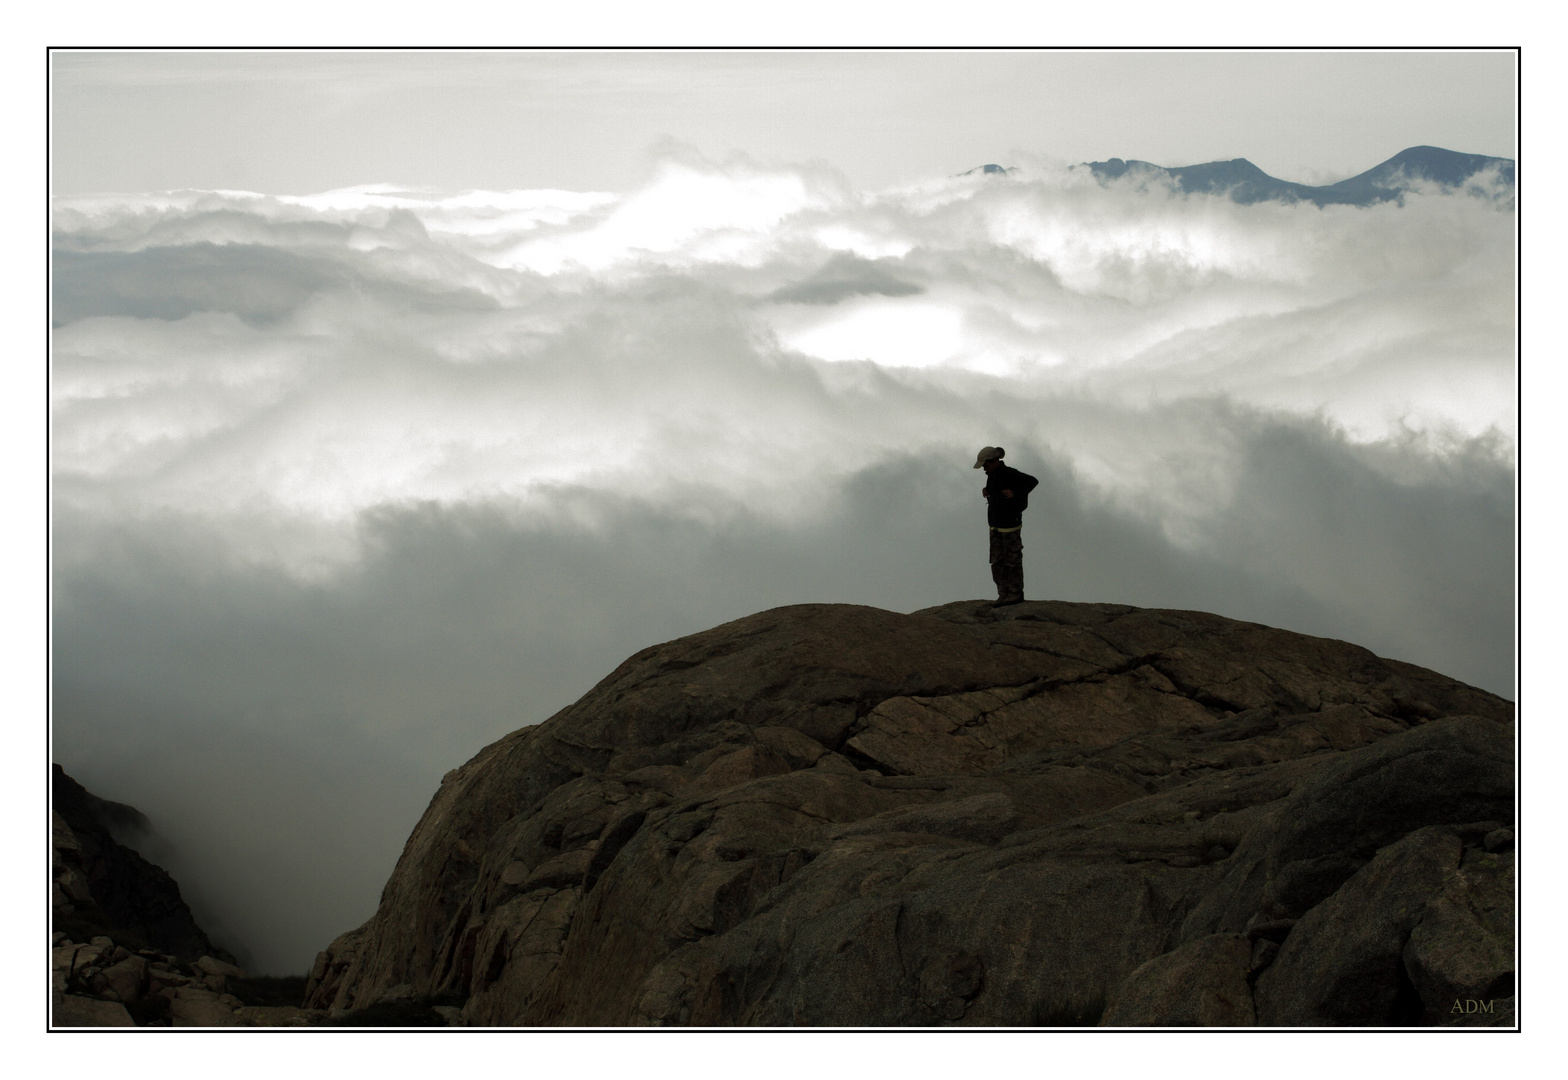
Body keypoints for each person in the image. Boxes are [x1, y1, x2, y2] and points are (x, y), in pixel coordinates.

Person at [973, 446, 1038, 607]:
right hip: (995, 526)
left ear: (994, 461)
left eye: (985, 465)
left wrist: (1015, 493)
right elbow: (997, 489)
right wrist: (987, 490)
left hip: (1010, 526)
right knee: (997, 562)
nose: (984, 469)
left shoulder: (1009, 473)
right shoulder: (992, 475)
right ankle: (1003, 594)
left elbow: (1032, 481)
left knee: (1012, 561)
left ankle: (1015, 594)